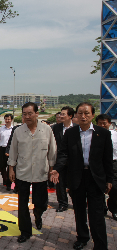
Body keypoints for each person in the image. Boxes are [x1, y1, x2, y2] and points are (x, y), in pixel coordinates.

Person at [50, 102, 113, 250]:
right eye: (80, 113)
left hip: (95, 178)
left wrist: (109, 179)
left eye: (86, 113)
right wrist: (57, 169)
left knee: (96, 213)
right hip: (76, 177)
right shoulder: (71, 133)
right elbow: (63, 154)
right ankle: (82, 237)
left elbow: (107, 159)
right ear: (76, 115)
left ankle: (100, 244)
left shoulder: (103, 133)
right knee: (79, 211)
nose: (83, 116)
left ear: (92, 115)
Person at [8, 102, 57, 243]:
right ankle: (25, 231)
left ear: (37, 114)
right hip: (22, 172)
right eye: (24, 114)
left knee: (41, 202)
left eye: (30, 113)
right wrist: (11, 168)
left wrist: (52, 169)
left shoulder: (47, 130)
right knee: (22, 204)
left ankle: (38, 214)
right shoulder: (18, 131)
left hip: (41, 172)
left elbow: (52, 151)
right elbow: (13, 151)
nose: (27, 116)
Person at [51, 106, 76, 212]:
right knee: (59, 184)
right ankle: (62, 204)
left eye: (63, 114)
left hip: (74, 161)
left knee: (74, 183)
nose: (60, 116)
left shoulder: (77, 128)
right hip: (59, 161)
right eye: (60, 114)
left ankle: (77, 202)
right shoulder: (55, 128)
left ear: (70, 116)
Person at [96, 114, 117, 221]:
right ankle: (102, 208)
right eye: (100, 123)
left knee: (114, 188)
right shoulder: (95, 135)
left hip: (113, 164)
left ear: (109, 123)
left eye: (105, 123)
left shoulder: (115, 135)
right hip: (99, 165)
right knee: (99, 188)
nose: (103, 125)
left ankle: (114, 209)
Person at [0, 114, 14, 191]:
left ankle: (9, 183)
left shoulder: (14, 129)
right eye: (6, 119)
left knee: (10, 166)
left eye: (8, 119)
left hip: (11, 149)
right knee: (2, 166)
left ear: (11, 120)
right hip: (3, 149)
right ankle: (5, 179)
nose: (7, 121)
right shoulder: (1, 129)